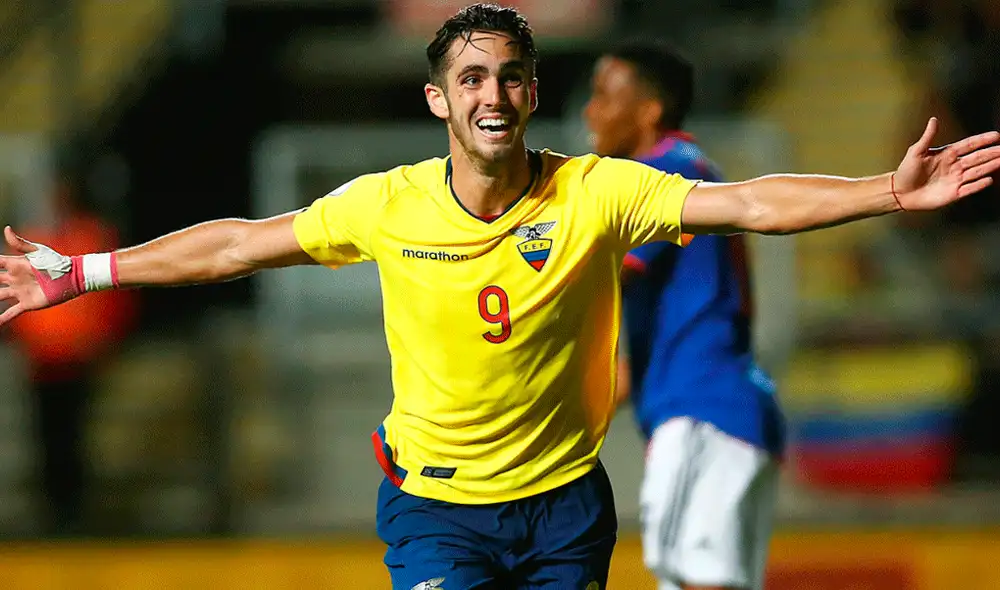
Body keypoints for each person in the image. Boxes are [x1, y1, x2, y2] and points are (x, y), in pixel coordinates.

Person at [0, 3, 998, 588]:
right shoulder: (386, 205)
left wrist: (885, 190)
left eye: (510, 77)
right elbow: (235, 246)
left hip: (565, 508)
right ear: (439, 98)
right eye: (470, 77)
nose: (491, 95)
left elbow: (748, 201)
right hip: (438, 509)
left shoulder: (595, 191)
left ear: (528, 94)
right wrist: (81, 269)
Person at [583, 39, 783, 590]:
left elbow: (590, 278)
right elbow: (622, 364)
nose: (589, 111)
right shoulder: (692, 171)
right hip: (721, 405)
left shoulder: (661, 178)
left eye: (603, 95)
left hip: (703, 407)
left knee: (695, 577)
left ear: (649, 110)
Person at [4, 176, 137, 536]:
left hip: (80, 357)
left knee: (77, 433)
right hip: (42, 360)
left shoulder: (92, 237)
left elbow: (115, 297)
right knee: (48, 433)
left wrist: (105, 341)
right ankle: (55, 508)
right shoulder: (33, 239)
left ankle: (77, 508)